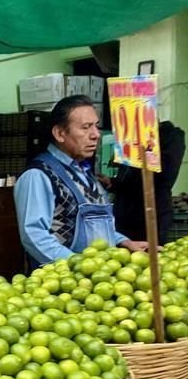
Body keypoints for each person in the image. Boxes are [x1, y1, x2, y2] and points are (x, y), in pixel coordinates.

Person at [14, 95, 148, 266]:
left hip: (100, 279)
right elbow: (34, 236)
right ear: (59, 133)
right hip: (64, 285)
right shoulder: (38, 176)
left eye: (96, 126)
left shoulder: (85, 173)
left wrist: (124, 242)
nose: (96, 135)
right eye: (86, 127)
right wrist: (79, 266)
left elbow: (97, 229)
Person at [109, 121, 186, 244]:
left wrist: (145, 146)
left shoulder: (171, 136)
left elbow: (164, 174)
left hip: (151, 213)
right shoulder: (130, 137)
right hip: (123, 214)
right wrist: (112, 183)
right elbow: (127, 178)